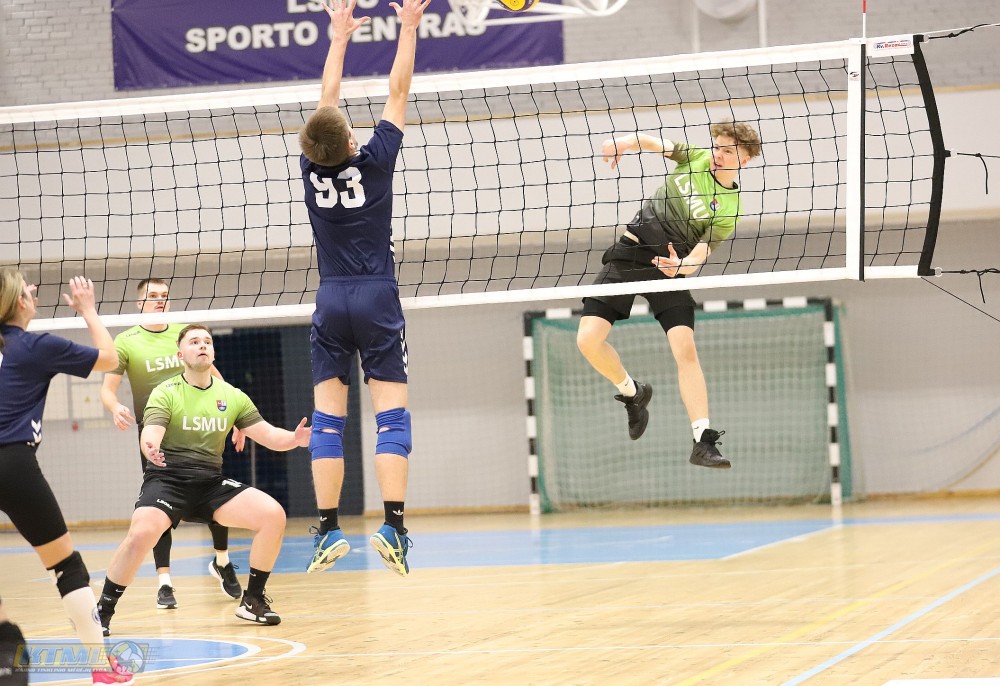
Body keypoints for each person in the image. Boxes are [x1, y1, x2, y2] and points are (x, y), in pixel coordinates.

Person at [297, 0, 430, 578]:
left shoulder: (311, 167)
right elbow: (398, 91)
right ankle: (393, 527)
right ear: (352, 140)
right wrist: (408, 27)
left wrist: (337, 38)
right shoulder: (374, 161)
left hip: (330, 297)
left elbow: (325, 103)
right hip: (376, 296)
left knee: (328, 420)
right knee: (391, 418)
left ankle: (327, 529)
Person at [96, 325, 310, 634]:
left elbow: (269, 435)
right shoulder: (166, 392)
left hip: (210, 484)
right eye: (194, 341)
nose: (202, 346)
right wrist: (150, 447)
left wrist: (295, 439)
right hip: (168, 480)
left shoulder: (232, 396)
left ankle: (252, 600)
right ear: (180, 354)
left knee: (273, 515)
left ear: (213, 352)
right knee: (141, 534)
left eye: (207, 341)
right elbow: (150, 433)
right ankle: (102, 611)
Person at [576, 121, 762, 469]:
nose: (718, 155)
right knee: (587, 340)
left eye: (728, 151)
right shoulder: (695, 157)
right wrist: (623, 143)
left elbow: (701, 253)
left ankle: (703, 442)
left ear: (746, 159)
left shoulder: (729, 207)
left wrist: (682, 268)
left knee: (685, 348)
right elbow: (652, 142)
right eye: (717, 147)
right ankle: (633, 392)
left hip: (669, 266)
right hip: (631, 253)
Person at [0, 269, 133, 685]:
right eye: (27, 289)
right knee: (66, 566)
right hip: (12, 463)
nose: (34, 292)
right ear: (19, 302)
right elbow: (111, 358)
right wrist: (87, 310)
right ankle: (101, 667)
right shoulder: (35, 346)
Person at [100, 278, 245, 610]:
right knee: (157, 504)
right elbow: (107, 389)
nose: (160, 301)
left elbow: (215, 376)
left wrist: (236, 416)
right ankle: (164, 582)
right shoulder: (126, 341)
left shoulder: (184, 333)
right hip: (155, 431)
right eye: (152, 296)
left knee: (214, 489)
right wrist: (115, 406)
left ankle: (222, 560)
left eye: (164, 296)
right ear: (139, 303)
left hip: (198, 425)